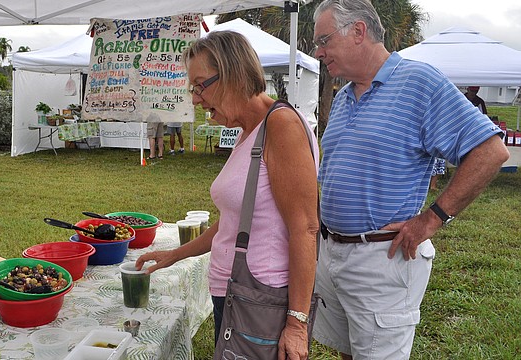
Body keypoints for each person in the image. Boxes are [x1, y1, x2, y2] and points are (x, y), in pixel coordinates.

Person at [311, 1, 509, 359]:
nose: (318, 51)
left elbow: (490, 151)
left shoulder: (419, 82)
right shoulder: (342, 97)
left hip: (381, 257)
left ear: (358, 31)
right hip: (332, 252)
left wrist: (432, 218)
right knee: (350, 350)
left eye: (324, 40)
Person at [135, 31, 319, 359]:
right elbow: (232, 222)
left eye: (200, 85)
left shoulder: (281, 126)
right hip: (234, 292)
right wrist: (175, 255)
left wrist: (296, 324)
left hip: (259, 298)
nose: (195, 98)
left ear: (233, 74)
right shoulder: (248, 131)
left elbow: (305, 228)